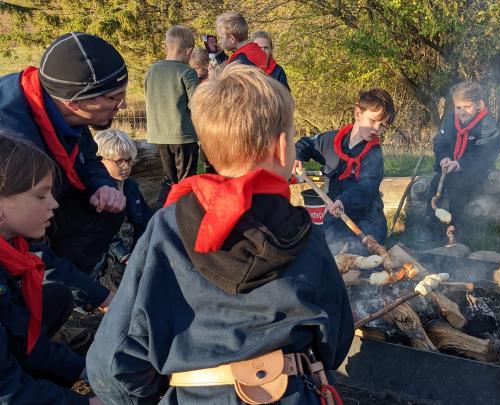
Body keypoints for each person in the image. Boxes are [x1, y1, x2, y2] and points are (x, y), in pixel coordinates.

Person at [87, 64, 354, 404]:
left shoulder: (167, 227)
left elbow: (112, 363)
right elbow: (336, 342)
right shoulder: (305, 234)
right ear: (284, 148)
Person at [0, 32, 128, 274]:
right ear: (74, 102)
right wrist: (97, 295)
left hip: (40, 200)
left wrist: (103, 186)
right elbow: (17, 231)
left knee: (109, 212)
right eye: (115, 97)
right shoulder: (12, 137)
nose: (123, 105)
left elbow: (87, 157)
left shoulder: (61, 104)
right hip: (11, 224)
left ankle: (70, 286)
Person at [0, 133, 106, 405]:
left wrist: (84, 371)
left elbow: (23, 337)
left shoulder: (14, 253)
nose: (54, 204)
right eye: (40, 195)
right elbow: (6, 391)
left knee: (56, 298)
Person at [295, 88, 395, 254]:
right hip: (334, 218)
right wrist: (297, 156)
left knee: (359, 253)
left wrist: (343, 201)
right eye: (373, 121)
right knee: (324, 251)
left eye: (383, 125)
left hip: (367, 220)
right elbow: (304, 144)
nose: (377, 129)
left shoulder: (373, 154)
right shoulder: (331, 140)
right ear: (357, 113)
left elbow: (367, 188)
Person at [427, 81, 500, 243]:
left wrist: (460, 164)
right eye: (458, 107)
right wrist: (444, 157)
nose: (462, 112)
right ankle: (432, 228)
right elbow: (440, 142)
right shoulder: (450, 120)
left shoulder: (487, 126)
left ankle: (455, 230)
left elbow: (484, 155)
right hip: (450, 167)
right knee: (433, 186)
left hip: (474, 171)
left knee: (456, 187)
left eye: (467, 107)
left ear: (479, 105)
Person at [145, 25, 200, 207]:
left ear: (166, 46)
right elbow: (198, 104)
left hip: (158, 135)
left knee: (169, 180)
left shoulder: (152, 70)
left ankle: (162, 212)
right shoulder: (187, 72)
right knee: (185, 182)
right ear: (189, 50)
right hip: (182, 136)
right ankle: (181, 217)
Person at [93, 129, 153, 291]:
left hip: (133, 250)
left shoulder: (131, 186)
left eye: (129, 160)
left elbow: (146, 220)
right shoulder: (96, 192)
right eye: (119, 161)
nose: (126, 166)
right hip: (108, 261)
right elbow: (100, 232)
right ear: (100, 161)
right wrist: (124, 255)